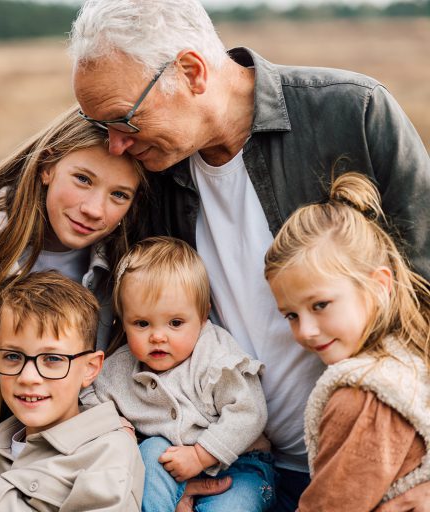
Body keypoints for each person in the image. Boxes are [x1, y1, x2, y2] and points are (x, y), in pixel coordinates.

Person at [68, 1, 430, 509]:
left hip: (377, 471)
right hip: (232, 472)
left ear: (191, 72)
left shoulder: (353, 112)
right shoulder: (150, 174)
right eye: (100, 125)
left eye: (124, 119)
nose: (116, 145)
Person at [265, 172, 430, 510]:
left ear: (380, 285)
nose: (306, 331)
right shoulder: (405, 359)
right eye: (291, 315)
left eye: (320, 305)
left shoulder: (363, 396)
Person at [82, 237, 274, 511]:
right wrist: (115, 426)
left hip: (239, 463)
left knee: (236, 504)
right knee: (149, 453)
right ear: (122, 321)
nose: (158, 336)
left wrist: (200, 455)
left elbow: (249, 412)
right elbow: (89, 394)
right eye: (142, 323)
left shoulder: (214, 355)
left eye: (175, 323)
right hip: (167, 463)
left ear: (203, 315)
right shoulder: (119, 368)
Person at [0, 271, 145, 511]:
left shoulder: (109, 451)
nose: (28, 377)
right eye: (12, 356)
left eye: (52, 358)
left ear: (90, 368)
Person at [0, 105, 151, 350]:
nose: (94, 210)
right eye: (83, 179)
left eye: (119, 194)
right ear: (47, 167)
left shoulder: (125, 271)